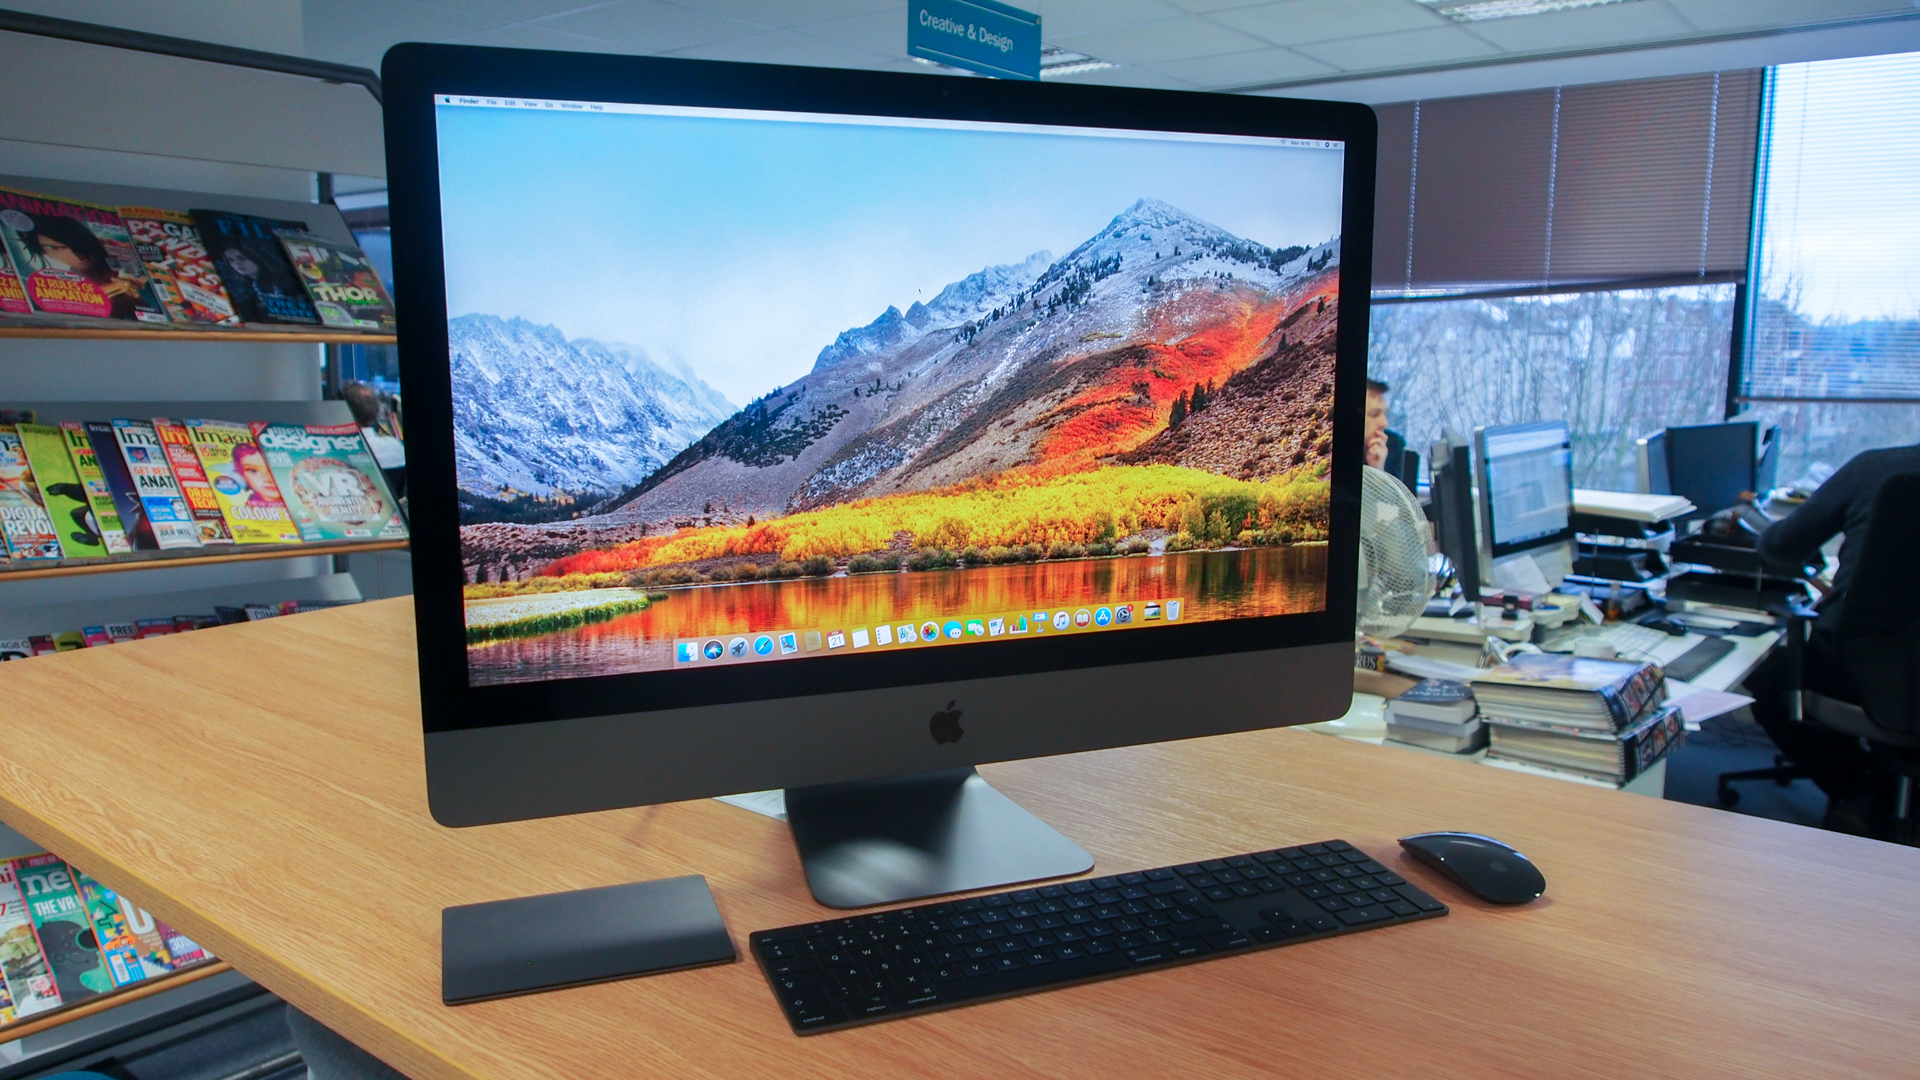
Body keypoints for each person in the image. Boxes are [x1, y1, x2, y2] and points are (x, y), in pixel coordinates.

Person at [1749, 439, 1920, 834]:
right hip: (1894, 676)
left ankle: (1858, 789)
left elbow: (1779, 548)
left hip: (1863, 673)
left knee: (1772, 684)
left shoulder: (1875, 467)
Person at [19, 215, 143, 320]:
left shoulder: (110, 247)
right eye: (56, 248)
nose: (77, 254)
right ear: (44, 253)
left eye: (75, 242)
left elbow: (147, 266)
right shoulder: (57, 277)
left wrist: (130, 276)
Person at [1364, 378, 1391, 471]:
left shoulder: (1390, 448)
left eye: (1385, 414)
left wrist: (1377, 469)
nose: (1384, 423)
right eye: (1375, 414)